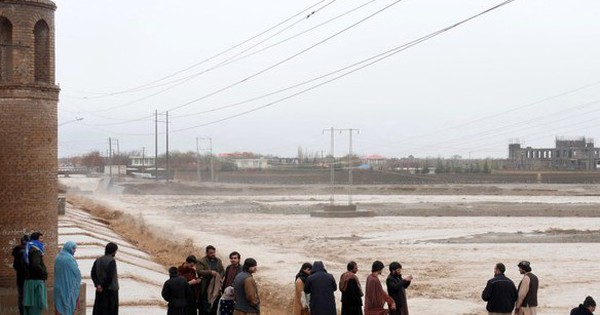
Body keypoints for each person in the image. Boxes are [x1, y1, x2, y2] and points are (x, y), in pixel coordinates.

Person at [23, 231, 48, 315]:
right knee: (36, 305)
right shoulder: (35, 250)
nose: (42, 240)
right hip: (35, 282)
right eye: (40, 238)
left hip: (30, 281)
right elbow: (35, 265)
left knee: (30, 306)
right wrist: (43, 271)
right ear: (36, 240)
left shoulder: (29, 248)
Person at [54, 241, 82, 315]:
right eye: (73, 248)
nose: (75, 250)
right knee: (68, 307)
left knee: (59, 307)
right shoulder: (69, 259)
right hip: (68, 288)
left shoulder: (58, 257)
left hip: (58, 287)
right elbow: (77, 274)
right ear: (69, 248)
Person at [91, 242, 119, 315]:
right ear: (113, 251)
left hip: (99, 291)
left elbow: (93, 274)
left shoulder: (98, 260)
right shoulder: (112, 261)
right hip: (110, 291)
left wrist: (98, 285)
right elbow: (110, 277)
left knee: (99, 310)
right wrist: (103, 286)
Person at [197, 245, 225, 315]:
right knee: (204, 308)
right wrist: (210, 272)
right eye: (211, 253)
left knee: (215, 307)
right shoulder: (202, 261)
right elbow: (199, 271)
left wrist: (219, 277)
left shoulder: (218, 260)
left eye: (214, 252)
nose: (213, 254)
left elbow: (222, 271)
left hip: (216, 286)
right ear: (206, 253)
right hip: (205, 286)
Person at [12, 234, 29, 315]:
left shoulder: (16, 251)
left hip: (19, 278)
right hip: (26, 278)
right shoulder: (25, 252)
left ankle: (21, 312)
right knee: (26, 296)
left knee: (21, 296)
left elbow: (15, 266)